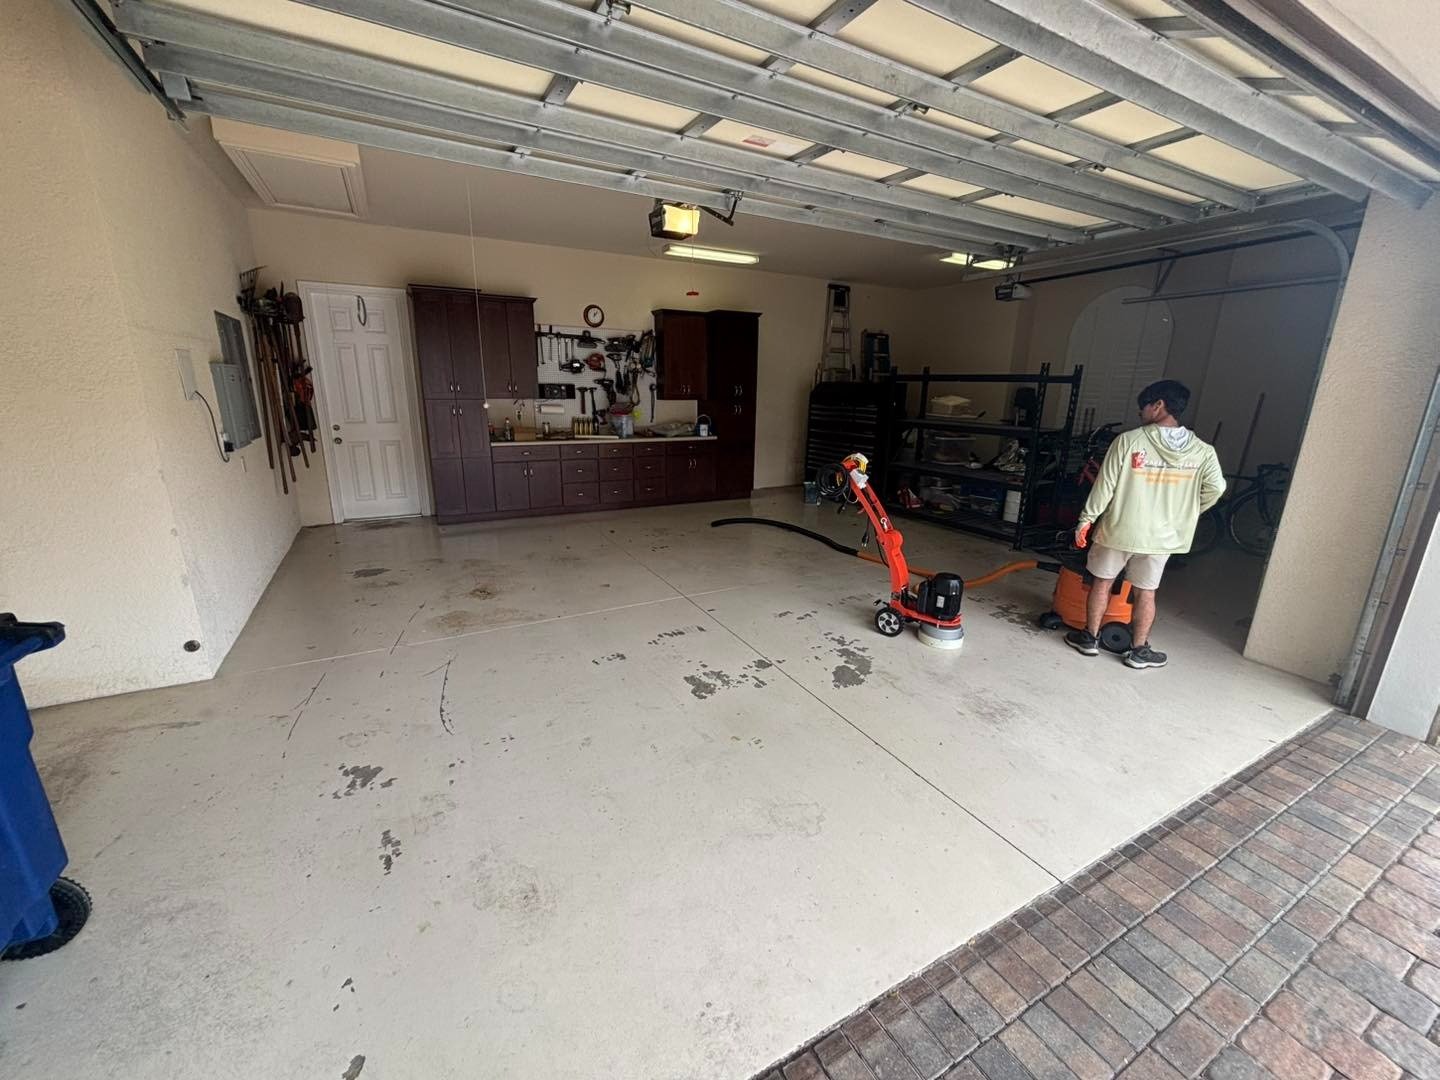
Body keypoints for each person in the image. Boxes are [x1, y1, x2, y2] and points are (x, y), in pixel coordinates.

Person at [1066, 379, 1225, 669]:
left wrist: (1086, 519)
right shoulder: (1203, 451)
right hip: (1162, 536)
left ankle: (1089, 639)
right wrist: (1186, 513)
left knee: (1102, 582)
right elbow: (1216, 488)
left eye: (1144, 407)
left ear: (1158, 405)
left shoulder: (1129, 441)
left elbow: (1105, 486)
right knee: (1146, 591)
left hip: (1119, 529)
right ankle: (1139, 651)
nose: (1140, 413)